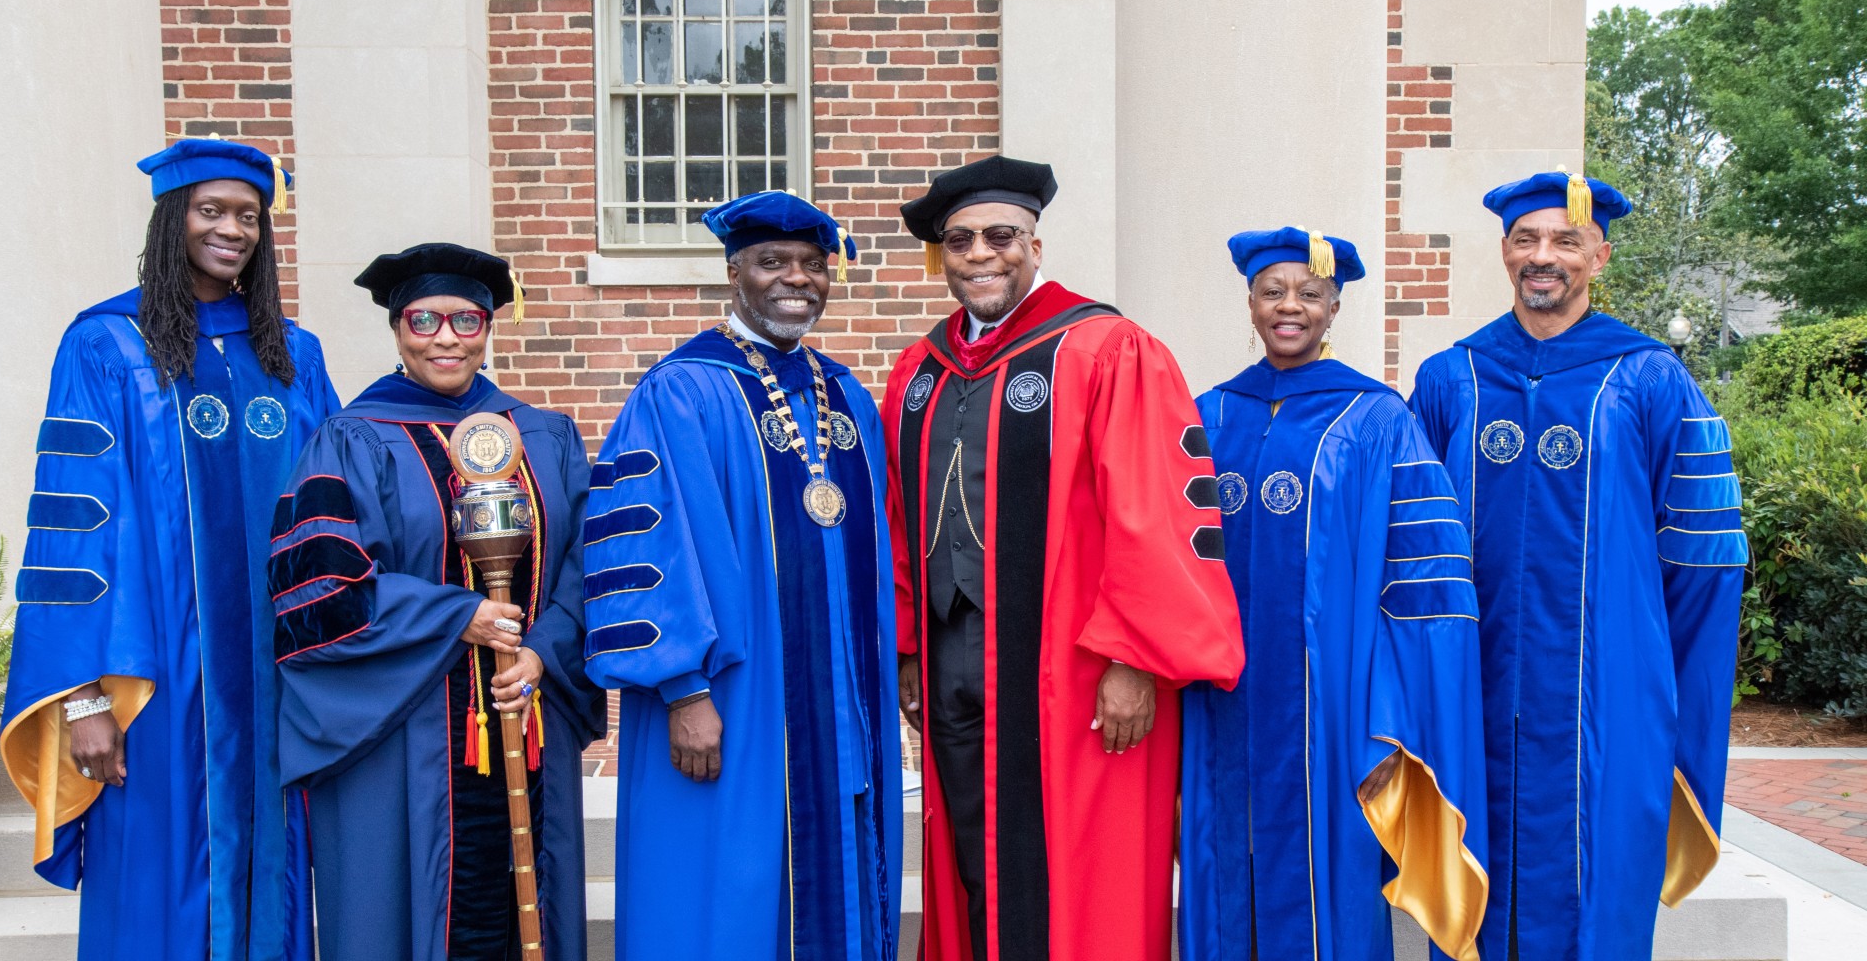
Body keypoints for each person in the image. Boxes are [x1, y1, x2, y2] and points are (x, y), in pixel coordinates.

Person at [885, 155, 1245, 961]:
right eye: (962, 240)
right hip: (952, 661)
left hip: (1076, 668)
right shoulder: (919, 371)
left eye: (1002, 235)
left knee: (1083, 867)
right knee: (972, 847)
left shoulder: (1105, 347)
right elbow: (899, 520)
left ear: (1035, 246)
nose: (983, 253)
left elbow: (1154, 510)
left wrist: (1134, 660)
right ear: (942, 255)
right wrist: (909, 645)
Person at [0, 139, 336, 961]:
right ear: (171, 220)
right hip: (151, 686)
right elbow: (74, 533)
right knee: (156, 879)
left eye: (249, 216)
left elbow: (335, 516)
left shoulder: (293, 354)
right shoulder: (107, 346)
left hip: (276, 689)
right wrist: (82, 701)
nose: (233, 230)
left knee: (277, 881)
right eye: (210, 210)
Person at [1409, 173, 1749, 960]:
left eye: (1565, 241)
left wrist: (1659, 680)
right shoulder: (1449, 379)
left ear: (1599, 254)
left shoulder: (1651, 378)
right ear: (1503, 254)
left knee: (1601, 885)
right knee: (1474, 887)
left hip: (1608, 693)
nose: (1544, 257)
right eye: (1526, 240)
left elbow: (1703, 565)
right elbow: (1411, 550)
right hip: (1476, 687)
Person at [580, 191, 901, 961]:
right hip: (733, 701)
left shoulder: (848, 395)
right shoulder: (681, 390)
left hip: (840, 706)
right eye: (771, 262)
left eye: (811, 265)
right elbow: (643, 550)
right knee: (724, 897)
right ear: (734, 272)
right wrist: (684, 690)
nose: (795, 278)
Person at [269, 243, 604, 960]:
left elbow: (589, 565)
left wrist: (543, 654)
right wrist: (459, 617)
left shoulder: (544, 435)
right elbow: (322, 585)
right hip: (404, 731)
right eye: (423, 320)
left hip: (527, 712)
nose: (446, 338)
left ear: (488, 328)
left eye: (465, 319)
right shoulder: (351, 438)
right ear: (396, 329)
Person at [1181, 228, 1487, 961]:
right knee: (1222, 866)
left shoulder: (1378, 419)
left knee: (1329, 891)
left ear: (1335, 306)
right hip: (1217, 706)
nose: (1290, 307)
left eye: (1309, 293)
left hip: (1336, 715)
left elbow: (1425, 590)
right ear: (1249, 302)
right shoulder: (1208, 415)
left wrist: (1391, 722)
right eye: (1272, 291)